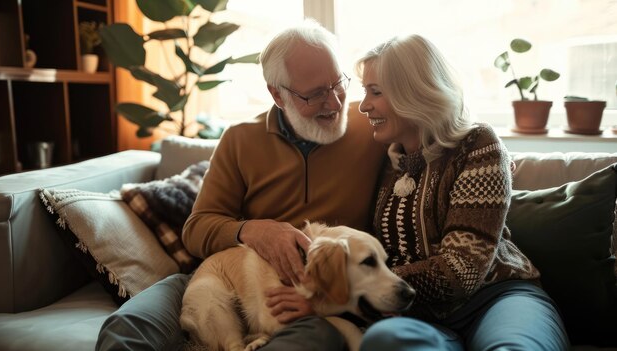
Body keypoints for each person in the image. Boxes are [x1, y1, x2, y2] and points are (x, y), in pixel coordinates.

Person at [96, 19, 386, 351]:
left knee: (306, 339)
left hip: (308, 290)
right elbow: (197, 229)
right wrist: (255, 231)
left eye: (338, 83)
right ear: (277, 94)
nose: (334, 102)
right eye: (315, 93)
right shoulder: (240, 139)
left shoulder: (371, 128)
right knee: (125, 328)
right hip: (223, 276)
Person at [355, 34, 570, 351]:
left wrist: (362, 287)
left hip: (496, 297)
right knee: (384, 341)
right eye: (364, 92)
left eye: (375, 92)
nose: (363, 106)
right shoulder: (382, 162)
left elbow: (462, 269)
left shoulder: (477, 144)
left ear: (412, 92)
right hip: (417, 316)